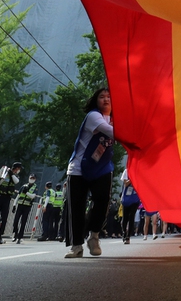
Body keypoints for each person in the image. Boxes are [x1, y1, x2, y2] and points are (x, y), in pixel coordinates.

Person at [65, 87, 116, 258]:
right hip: (79, 168)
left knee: (103, 201)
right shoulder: (94, 116)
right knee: (76, 207)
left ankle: (94, 236)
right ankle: (76, 246)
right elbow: (111, 132)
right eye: (102, 97)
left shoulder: (117, 119)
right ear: (96, 100)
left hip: (102, 167)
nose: (106, 99)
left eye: (109, 97)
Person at [13, 174, 38, 243]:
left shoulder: (35, 187)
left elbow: (33, 196)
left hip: (27, 206)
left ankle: (20, 237)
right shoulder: (24, 186)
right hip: (20, 205)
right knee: (15, 221)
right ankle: (15, 234)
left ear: (35, 179)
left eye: (33, 178)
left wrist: (26, 192)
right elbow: (18, 196)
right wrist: (14, 205)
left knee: (23, 222)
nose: (31, 179)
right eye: (31, 178)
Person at [119, 169, 141, 244]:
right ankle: (124, 232)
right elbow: (126, 183)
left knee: (132, 216)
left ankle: (128, 236)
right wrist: (133, 178)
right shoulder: (126, 171)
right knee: (125, 217)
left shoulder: (139, 172)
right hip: (127, 198)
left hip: (135, 198)